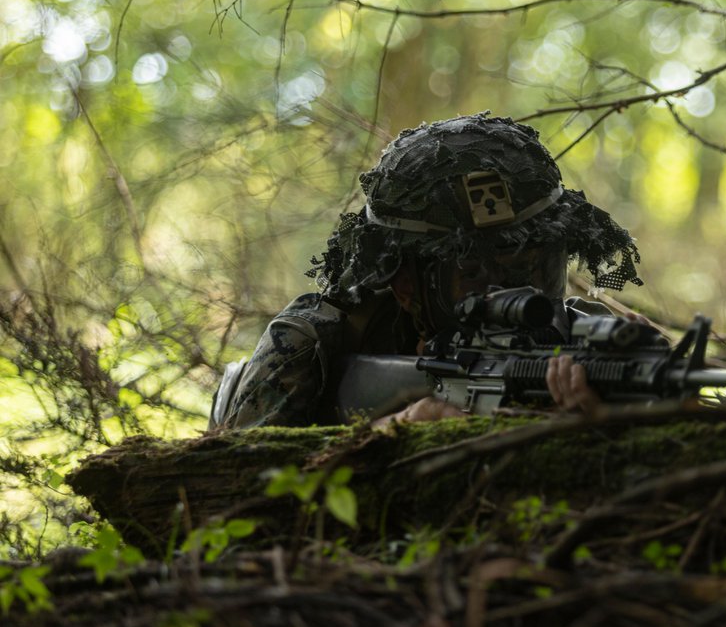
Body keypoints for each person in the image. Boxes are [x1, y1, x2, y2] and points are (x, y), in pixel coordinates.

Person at [209, 113, 643, 429]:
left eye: (535, 264)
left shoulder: (601, 350)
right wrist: (383, 440)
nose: (517, 295)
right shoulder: (313, 345)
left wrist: (605, 433)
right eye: (474, 272)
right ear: (405, 285)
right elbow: (227, 497)